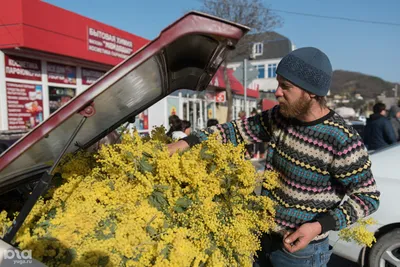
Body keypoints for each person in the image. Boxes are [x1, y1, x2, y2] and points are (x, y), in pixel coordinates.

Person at [168, 47, 380, 267]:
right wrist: (186, 142)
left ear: (312, 92)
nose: (277, 92)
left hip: (302, 253)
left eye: (285, 86)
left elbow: (368, 197)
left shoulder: (341, 138)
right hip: (262, 239)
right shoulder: (279, 118)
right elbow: (235, 130)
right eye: (278, 83)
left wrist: (318, 226)